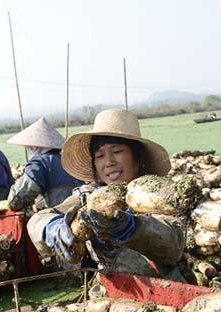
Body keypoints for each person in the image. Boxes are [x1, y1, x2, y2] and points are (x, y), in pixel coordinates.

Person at [27, 109, 185, 278]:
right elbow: (37, 220)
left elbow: (173, 243)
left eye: (117, 152)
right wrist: (52, 228)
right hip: (114, 290)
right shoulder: (89, 196)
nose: (109, 162)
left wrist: (132, 228)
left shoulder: (159, 195)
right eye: (100, 155)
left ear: (138, 157)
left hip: (167, 286)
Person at [0, 117, 82, 214]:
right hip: (80, 209)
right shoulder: (68, 158)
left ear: (34, 147)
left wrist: (9, 204)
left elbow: (21, 195)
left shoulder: (39, 163)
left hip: (59, 214)